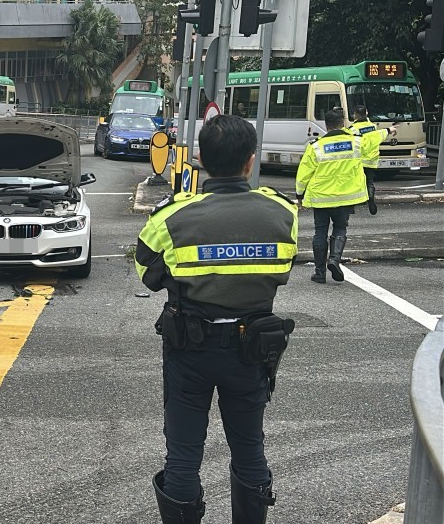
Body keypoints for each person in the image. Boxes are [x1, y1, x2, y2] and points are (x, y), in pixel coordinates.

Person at [136, 115, 298, 524]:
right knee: (249, 448)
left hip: (189, 351)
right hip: (252, 351)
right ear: (251, 160)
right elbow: (284, 269)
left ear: (202, 160)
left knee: (184, 455)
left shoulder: (173, 217)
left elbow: (148, 272)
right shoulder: (281, 214)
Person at [296, 109, 381, 283]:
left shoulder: (316, 147)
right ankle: (334, 259)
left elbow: (303, 173)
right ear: (343, 123)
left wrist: (299, 194)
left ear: (326, 126)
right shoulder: (356, 142)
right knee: (340, 229)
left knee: (320, 232)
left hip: (321, 197)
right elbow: (373, 141)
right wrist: (386, 131)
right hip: (346, 196)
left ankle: (319, 272)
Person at [345, 105, 398, 215]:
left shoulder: (352, 129)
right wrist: (389, 130)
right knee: (369, 182)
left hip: (358, 162)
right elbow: (380, 135)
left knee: (354, 183)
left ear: (354, 115)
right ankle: (370, 197)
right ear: (367, 113)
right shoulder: (373, 127)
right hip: (371, 161)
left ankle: (351, 207)